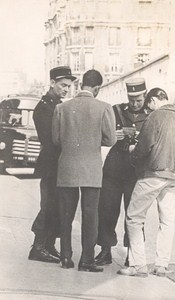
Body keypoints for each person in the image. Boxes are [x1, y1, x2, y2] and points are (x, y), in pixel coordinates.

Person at [117, 88, 175, 277]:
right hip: (173, 176)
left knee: (134, 217)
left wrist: (133, 153)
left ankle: (138, 265)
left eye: (149, 105)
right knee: (167, 221)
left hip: (153, 174)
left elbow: (144, 147)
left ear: (153, 100)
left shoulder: (155, 116)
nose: (148, 110)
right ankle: (161, 265)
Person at [52, 69, 117, 271]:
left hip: (67, 167)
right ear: (97, 88)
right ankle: (87, 260)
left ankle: (65, 257)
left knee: (66, 214)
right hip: (91, 169)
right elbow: (111, 140)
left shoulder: (61, 108)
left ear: (81, 85)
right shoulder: (105, 108)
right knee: (90, 215)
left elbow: (56, 140)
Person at [95, 78, 149, 266]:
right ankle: (105, 250)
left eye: (138, 100)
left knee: (134, 214)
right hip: (114, 169)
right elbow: (103, 134)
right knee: (107, 210)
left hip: (136, 172)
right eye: (131, 99)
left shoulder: (151, 115)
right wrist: (112, 136)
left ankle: (132, 254)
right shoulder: (116, 110)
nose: (134, 103)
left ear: (145, 95)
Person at [28, 66, 76, 263]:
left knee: (56, 205)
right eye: (63, 85)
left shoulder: (56, 105)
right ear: (52, 83)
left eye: (69, 86)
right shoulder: (44, 107)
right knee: (48, 205)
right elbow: (50, 140)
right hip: (51, 164)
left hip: (57, 164)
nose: (66, 89)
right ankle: (38, 247)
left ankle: (48, 245)